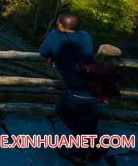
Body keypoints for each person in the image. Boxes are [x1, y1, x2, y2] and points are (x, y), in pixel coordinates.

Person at [39, 12, 106, 165]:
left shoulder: (55, 36)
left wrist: (54, 56)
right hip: (100, 91)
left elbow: (43, 51)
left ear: (60, 25)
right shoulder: (86, 36)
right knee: (87, 123)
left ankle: (81, 154)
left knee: (62, 111)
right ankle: (94, 146)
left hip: (79, 95)